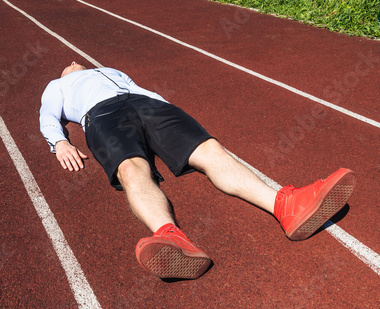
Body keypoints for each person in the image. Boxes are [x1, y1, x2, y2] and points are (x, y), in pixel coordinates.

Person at [39, 61, 357, 280]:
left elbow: (137, 88)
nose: (73, 62)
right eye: (69, 63)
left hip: (149, 104)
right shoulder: (59, 85)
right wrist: (59, 143)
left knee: (209, 149)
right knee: (131, 168)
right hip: (102, 115)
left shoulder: (110, 71)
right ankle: (171, 236)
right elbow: (48, 116)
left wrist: (165, 109)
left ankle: (285, 205)